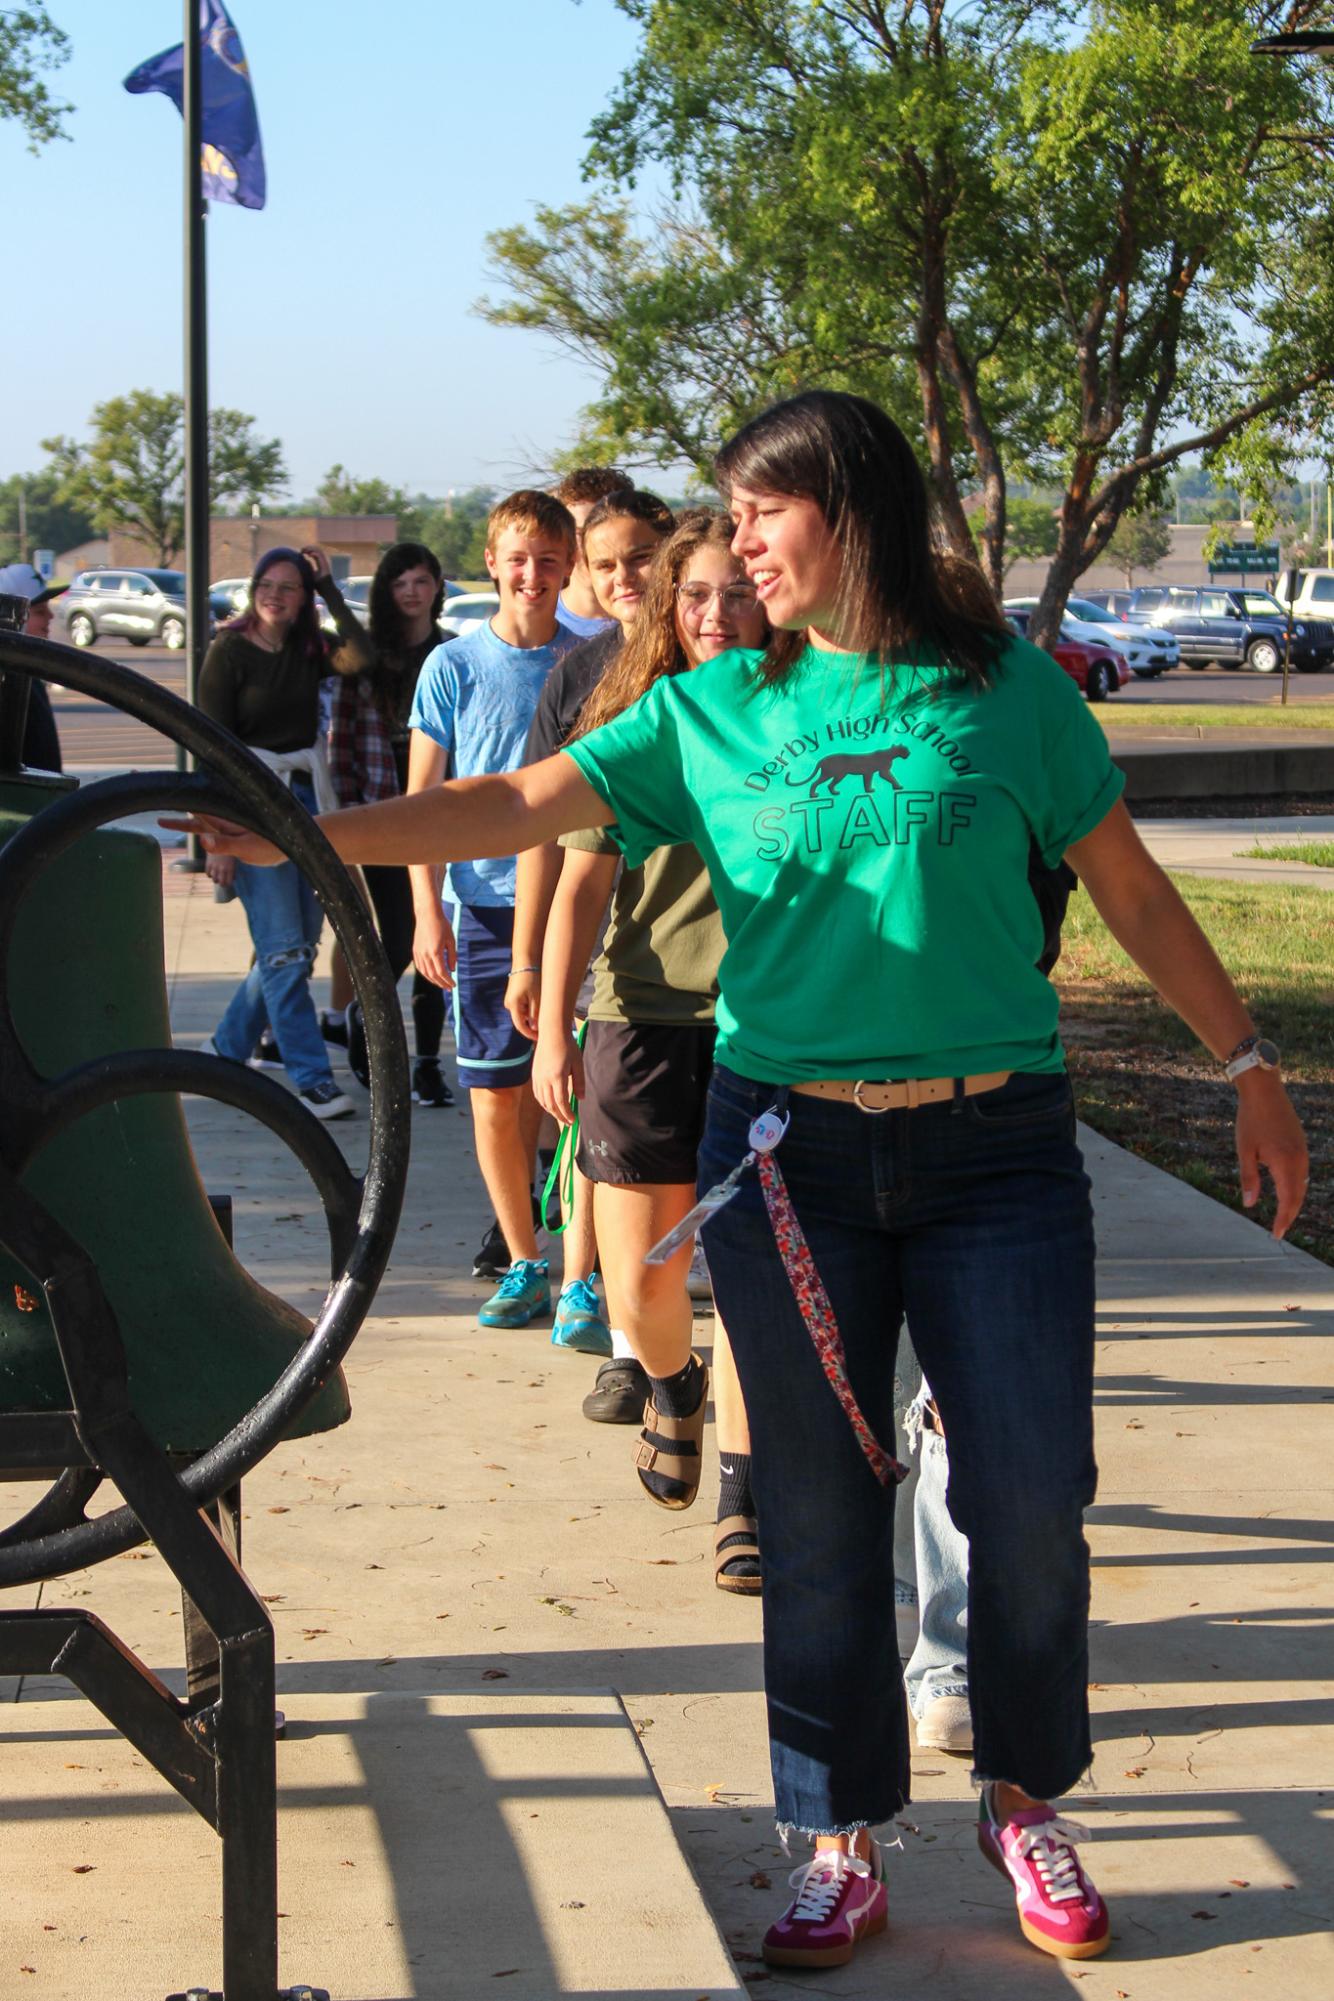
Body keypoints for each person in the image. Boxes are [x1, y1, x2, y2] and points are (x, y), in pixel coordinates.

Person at [169, 389, 1308, 1975]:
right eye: (734, 514)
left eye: (765, 512)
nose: (742, 542)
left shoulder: (1006, 695)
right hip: (793, 1158)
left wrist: (1248, 1067)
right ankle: (835, 1833)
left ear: (850, 512)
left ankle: (1021, 1793)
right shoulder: (713, 712)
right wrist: (304, 828)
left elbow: (1123, 883)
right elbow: (512, 804)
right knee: (819, 1510)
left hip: (997, 1156)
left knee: (1029, 1495)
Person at [533, 511, 768, 1589]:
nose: (717, 614)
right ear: (669, 609)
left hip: (771, 1023)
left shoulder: (805, 712)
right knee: (639, 1282)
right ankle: (674, 1388)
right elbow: (578, 876)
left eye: (737, 591)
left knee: (760, 1281)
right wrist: (556, 1019)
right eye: (696, 595)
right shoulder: (631, 712)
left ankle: (744, 1499)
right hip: (639, 1014)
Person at [406, 490, 593, 1333]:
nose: (533, 573)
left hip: (580, 897)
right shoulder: (452, 665)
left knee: (574, 1093)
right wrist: (427, 912)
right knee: (494, 1093)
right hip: (481, 905)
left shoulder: (595, 657)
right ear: (491, 562)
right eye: (518, 557)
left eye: (550, 558)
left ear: (569, 567)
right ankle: (524, 1260)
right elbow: (423, 801)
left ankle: (583, 1270)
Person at [508, 488, 676, 1363]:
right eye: (604, 564)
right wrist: (533, 965)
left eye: (641, 557)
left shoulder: (733, 657)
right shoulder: (582, 676)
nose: (623, 578)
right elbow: (540, 827)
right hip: (624, 969)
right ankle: (622, 1341)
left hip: (745, 983)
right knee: (609, 1163)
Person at [196, 545, 367, 1119]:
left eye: (289, 587)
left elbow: (362, 656)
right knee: (284, 953)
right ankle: (311, 1078)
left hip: (304, 801)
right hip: (248, 808)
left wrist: (328, 588)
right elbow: (208, 747)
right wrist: (216, 835)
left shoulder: (308, 649)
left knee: (293, 950)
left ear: (302, 599)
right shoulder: (229, 650)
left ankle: (223, 1052)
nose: (275, 594)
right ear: (253, 588)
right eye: (267, 584)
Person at [326, 542, 457, 1109]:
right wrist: (355, 821)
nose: (412, 591)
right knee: (403, 932)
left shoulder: (453, 653)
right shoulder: (367, 658)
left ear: (436, 588)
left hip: (444, 805)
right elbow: (343, 744)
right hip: (385, 804)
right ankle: (367, 1013)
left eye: (421, 580)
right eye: (400, 581)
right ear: (386, 590)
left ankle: (428, 1064)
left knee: (440, 936)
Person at [552, 466, 634, 637]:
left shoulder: (657, 624)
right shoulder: (539, 620)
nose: (594, 548)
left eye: (606, 534)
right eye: (582, 533)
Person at [0, 562, 66, 770]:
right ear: (9, 617)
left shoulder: (27, 675)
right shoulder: (8, 681)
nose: (51, 616)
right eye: (39, 611)